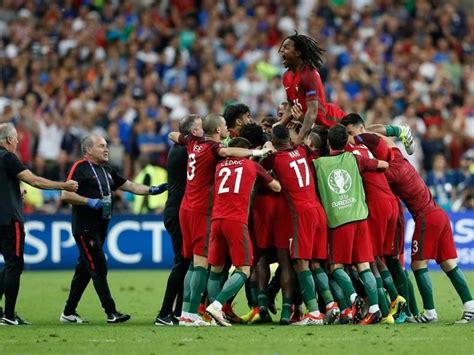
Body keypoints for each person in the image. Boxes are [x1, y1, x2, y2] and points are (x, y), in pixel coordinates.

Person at [168, 113, 272, 326]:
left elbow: (172, 134)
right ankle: (190, 315)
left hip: (186, 207)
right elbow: (226, 150)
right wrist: (258, 151)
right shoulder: (213, 148)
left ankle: (189, 313)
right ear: (217, 130)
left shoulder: (193, 142)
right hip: (200, 210)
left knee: (193, 265)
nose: (226, 128)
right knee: (200, 264)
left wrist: (191, 136)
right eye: (224, 125)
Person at [359, 132, 474, 324]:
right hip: (439, 214)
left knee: (418, 264)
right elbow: (386, 141)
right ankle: (470, 306)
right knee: (448, 264)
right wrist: (383, 131)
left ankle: (430, 312)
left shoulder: (390, 172)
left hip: (425, 217)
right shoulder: (400, 158)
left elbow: (372, 171)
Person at [59, 134, 168, 324]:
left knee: (85, 270)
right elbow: (65, 194)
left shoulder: (107, 170)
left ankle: (68, 312)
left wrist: (152, 190)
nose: (106, 149)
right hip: (85, 228)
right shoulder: (80, 167)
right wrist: (88, 201)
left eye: (106, 145)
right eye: (101, 146)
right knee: (99, 267)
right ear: (88, 150)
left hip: (101, 228)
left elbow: (129, 186)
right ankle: (111, 312)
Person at [0, 123, 78, 326]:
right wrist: (63, 185)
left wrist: (15, 195)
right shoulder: (7, 157)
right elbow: (34, 181)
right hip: (10, 220)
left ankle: (3, 313)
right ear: (9, 140)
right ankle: (8, 315)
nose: (17, 141)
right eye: (16, 138)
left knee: (9, 265)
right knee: (14, 265)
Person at [313, 124, 386, 325]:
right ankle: (375, 309)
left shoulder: (318, 164)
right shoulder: (355, 159)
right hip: (360, 217)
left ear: (328, 142)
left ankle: (354, 299)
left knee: (336, 267)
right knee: (364, 266)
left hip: (339, 221)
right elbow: (382, 165)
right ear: (346, 143)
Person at [205, 137, 281, 326]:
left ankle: (214, 316)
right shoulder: (252, 166)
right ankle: (217, 305)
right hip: (236, 221)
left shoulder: (220, 165)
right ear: (246, 151)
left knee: (215, 269)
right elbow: (276, 187)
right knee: (244, 270)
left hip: (216, 219)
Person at [265, 125, 329, 325]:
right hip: (318, 209)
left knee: (300, 264)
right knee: (316, 263)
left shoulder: (274, 159)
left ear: (274, 142)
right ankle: (332, 305)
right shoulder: (301, 150)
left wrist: (266, 149)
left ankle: (314, 312)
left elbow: (258, 164)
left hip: (300, 214)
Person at [154, 114, 196, 326]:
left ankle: (178, 311)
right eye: (199, 127)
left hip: (177, 209)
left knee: (185, 261)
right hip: (177, 211)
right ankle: (164, 313)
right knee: (182, 262)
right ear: (190, 133)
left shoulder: (181, 148)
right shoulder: (184, 151)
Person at [278, 33, 345, 141]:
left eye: (286, 47)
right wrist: (279, 125)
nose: (281, 50)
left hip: (332, 122)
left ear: (297, 52)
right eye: (282, 47)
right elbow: (291, 105)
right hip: (312, 127)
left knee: (363, 137)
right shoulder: (286, 76)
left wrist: (300, 139)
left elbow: (312, 112)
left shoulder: (308, 75)